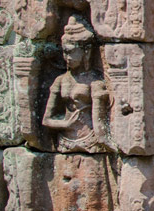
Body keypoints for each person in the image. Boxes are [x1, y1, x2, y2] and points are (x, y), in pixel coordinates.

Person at [42, 13, 111, 152]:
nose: (67, 57)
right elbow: (46, 120)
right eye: (65, 52)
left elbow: (99, 122)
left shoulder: (95, 82)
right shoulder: (60, 81)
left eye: (72, 52)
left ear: (86, 51)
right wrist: (65, 123)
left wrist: (105, 141)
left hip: (90, 141)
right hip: (64, 142)